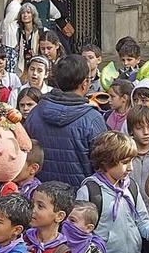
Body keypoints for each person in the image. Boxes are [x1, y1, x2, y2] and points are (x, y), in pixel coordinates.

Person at [24, 53, 109, 187]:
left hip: (42, 197)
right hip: (82, 200)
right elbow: (105, 166)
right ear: (85, 83)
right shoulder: (92, 119)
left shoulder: (35, 113)